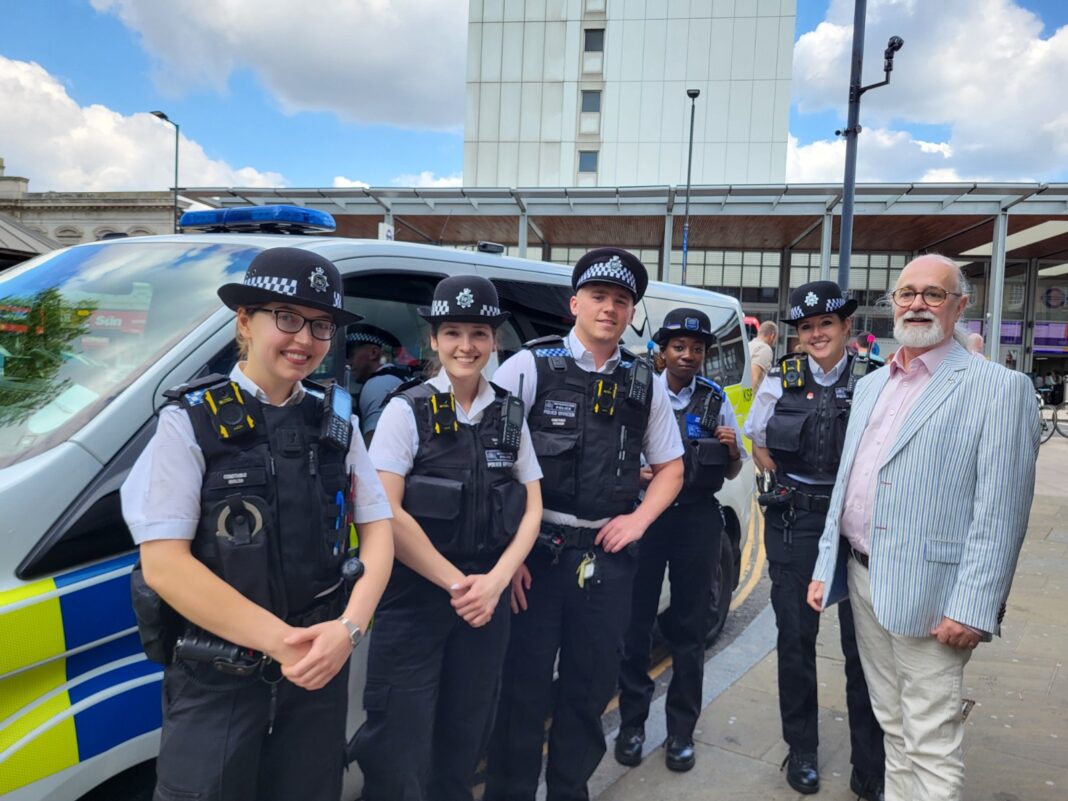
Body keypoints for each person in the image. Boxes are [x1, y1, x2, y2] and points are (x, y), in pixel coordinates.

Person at [121, 247, 394, 801]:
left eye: (321, 325)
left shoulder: (336, 421)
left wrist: (349, 630)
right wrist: (284, 644)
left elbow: (379, 531)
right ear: (244, 321)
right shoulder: (188, 420)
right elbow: (165, 565)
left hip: (319, 668)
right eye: (286, 318)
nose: (305, 339)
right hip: (218, 677)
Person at [807, 255, 1040, 801]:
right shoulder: (872, 386)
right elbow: (848, 487)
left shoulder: (998, 389)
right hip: (865, 582)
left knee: (931, 742)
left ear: (960, 306)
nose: (917, 304)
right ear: (892, 305)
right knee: (893, 726)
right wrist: (826, 567)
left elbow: (1002, 513)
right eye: (906, 293)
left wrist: (974, 607)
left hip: (936, 599)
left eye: (933, 294)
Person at [483, 247, 685, 801]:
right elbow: (491, 463)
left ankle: (569, 791)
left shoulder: (645, 384)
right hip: (537, 559)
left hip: (607, 561)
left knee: (589, 689)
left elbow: (671, 468)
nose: (609, 308)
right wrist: (510, 555)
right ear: (575, 302)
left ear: (631, 312)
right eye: (598, 296)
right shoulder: (529, 366)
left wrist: (639, 521)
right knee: (522, 692)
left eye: (622, 300)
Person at [350, 275, 544, 801]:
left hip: (487, 601)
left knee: (465, 738)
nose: (466, 345)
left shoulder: (509, 411)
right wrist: (461, 586)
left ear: (494, 340)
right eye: (452, 332)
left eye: (478, 332)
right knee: (398, 747)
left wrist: (497, 581)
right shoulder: (403, 409)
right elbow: (384, 511)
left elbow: (533, 505)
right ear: (432, 339)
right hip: (416, 601)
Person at [743, 280, 885, 800]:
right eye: (807, 327)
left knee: (863, 646)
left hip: (857, 524)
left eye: (827, 323)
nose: (817, 333)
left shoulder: (875, 380)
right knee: (796, 640)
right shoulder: (781, 378)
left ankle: (869, 763)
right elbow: (756, 440)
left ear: (848, 328)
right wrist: (779, 480)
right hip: (796, 521)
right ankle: (801, 748)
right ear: (798, 335)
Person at [615, 307, 747, 772]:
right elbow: (613, 453)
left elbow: (734, 468)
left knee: (690, 629)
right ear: (662, 351)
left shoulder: (714, 399)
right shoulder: (638, 394)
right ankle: (632, 724)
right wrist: (634, 472)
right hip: (646, 519)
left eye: (696, 349)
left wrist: (731, 449)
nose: (688, 356)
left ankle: (680, 733)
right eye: (678, 347)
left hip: (696, 521)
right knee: (634, 625)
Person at [344, 322, 412, 442]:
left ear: (373, 353)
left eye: (351, 355)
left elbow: (375, 440)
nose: (349, 362)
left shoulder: (377, 385)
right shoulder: (397, 378)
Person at [749, 319, 778, 388]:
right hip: (753, 396)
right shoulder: (765, 349)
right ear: (772, 336)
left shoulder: (749, 345)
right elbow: (754, 377)